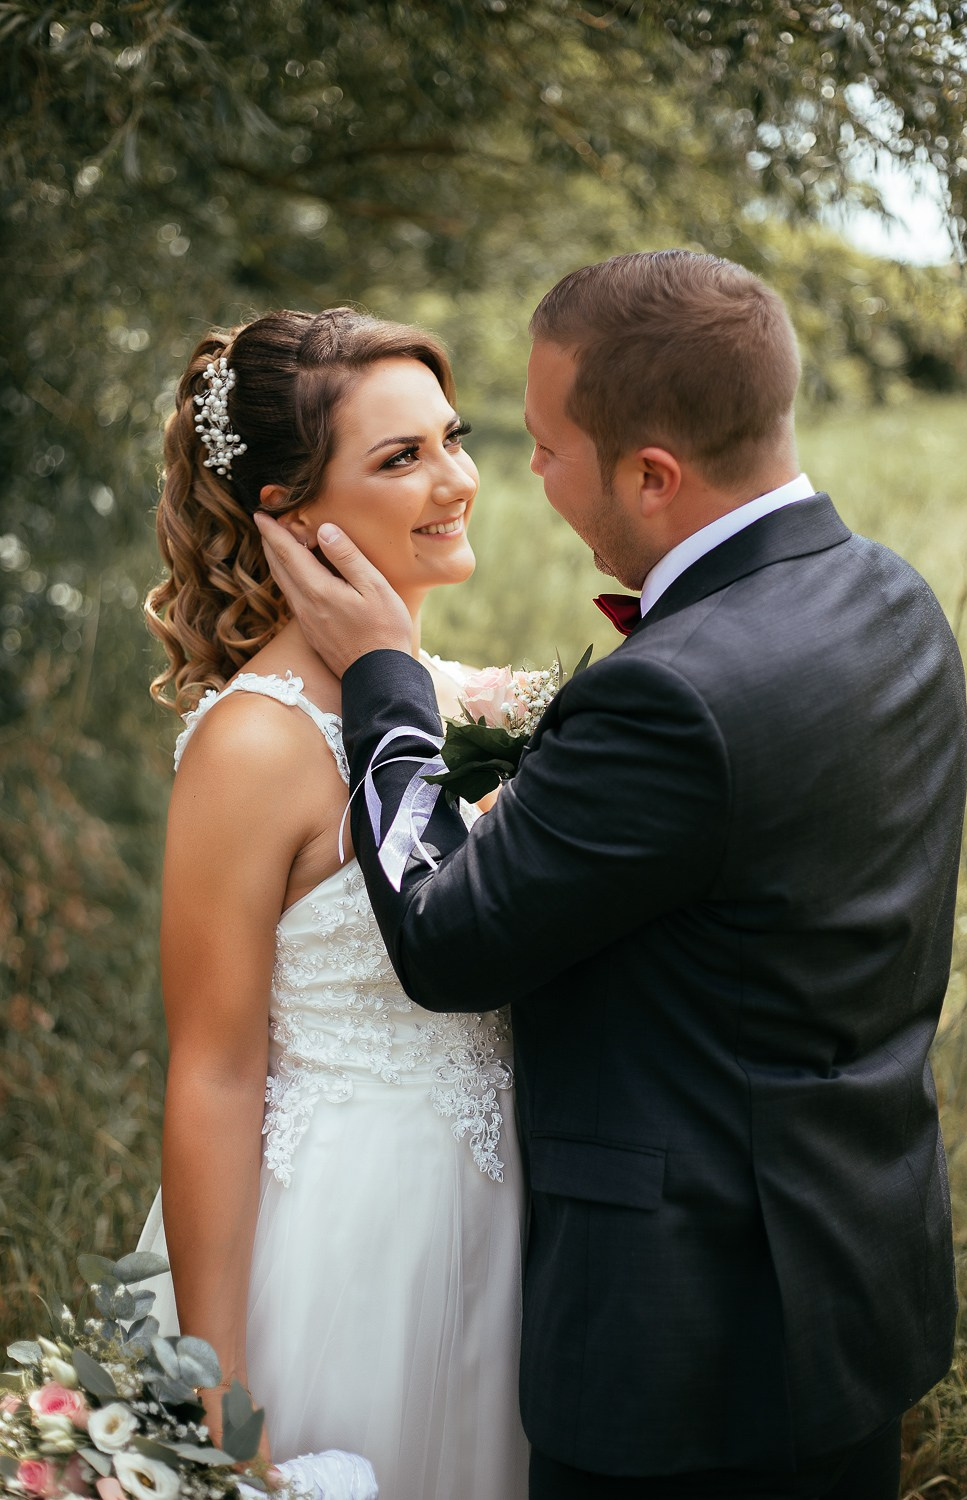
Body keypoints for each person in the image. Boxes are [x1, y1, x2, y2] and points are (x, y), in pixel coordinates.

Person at [257, 250, 967, 1500]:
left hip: (681, 1354)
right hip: (854, 1290)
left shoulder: (674, 694)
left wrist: (385, 678)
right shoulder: (890, 599)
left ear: (652, 474)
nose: (508, 476)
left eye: (540, 445)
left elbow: (443, 937)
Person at [137, 306, 530, 1500]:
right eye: (400, 458)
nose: (454, 479)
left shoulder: (470, 704)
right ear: (287, 512)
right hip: (345, 1246)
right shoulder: (253, 746)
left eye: (451, 438)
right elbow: (211, 1072)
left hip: (509, 1220)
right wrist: (214, 1390)